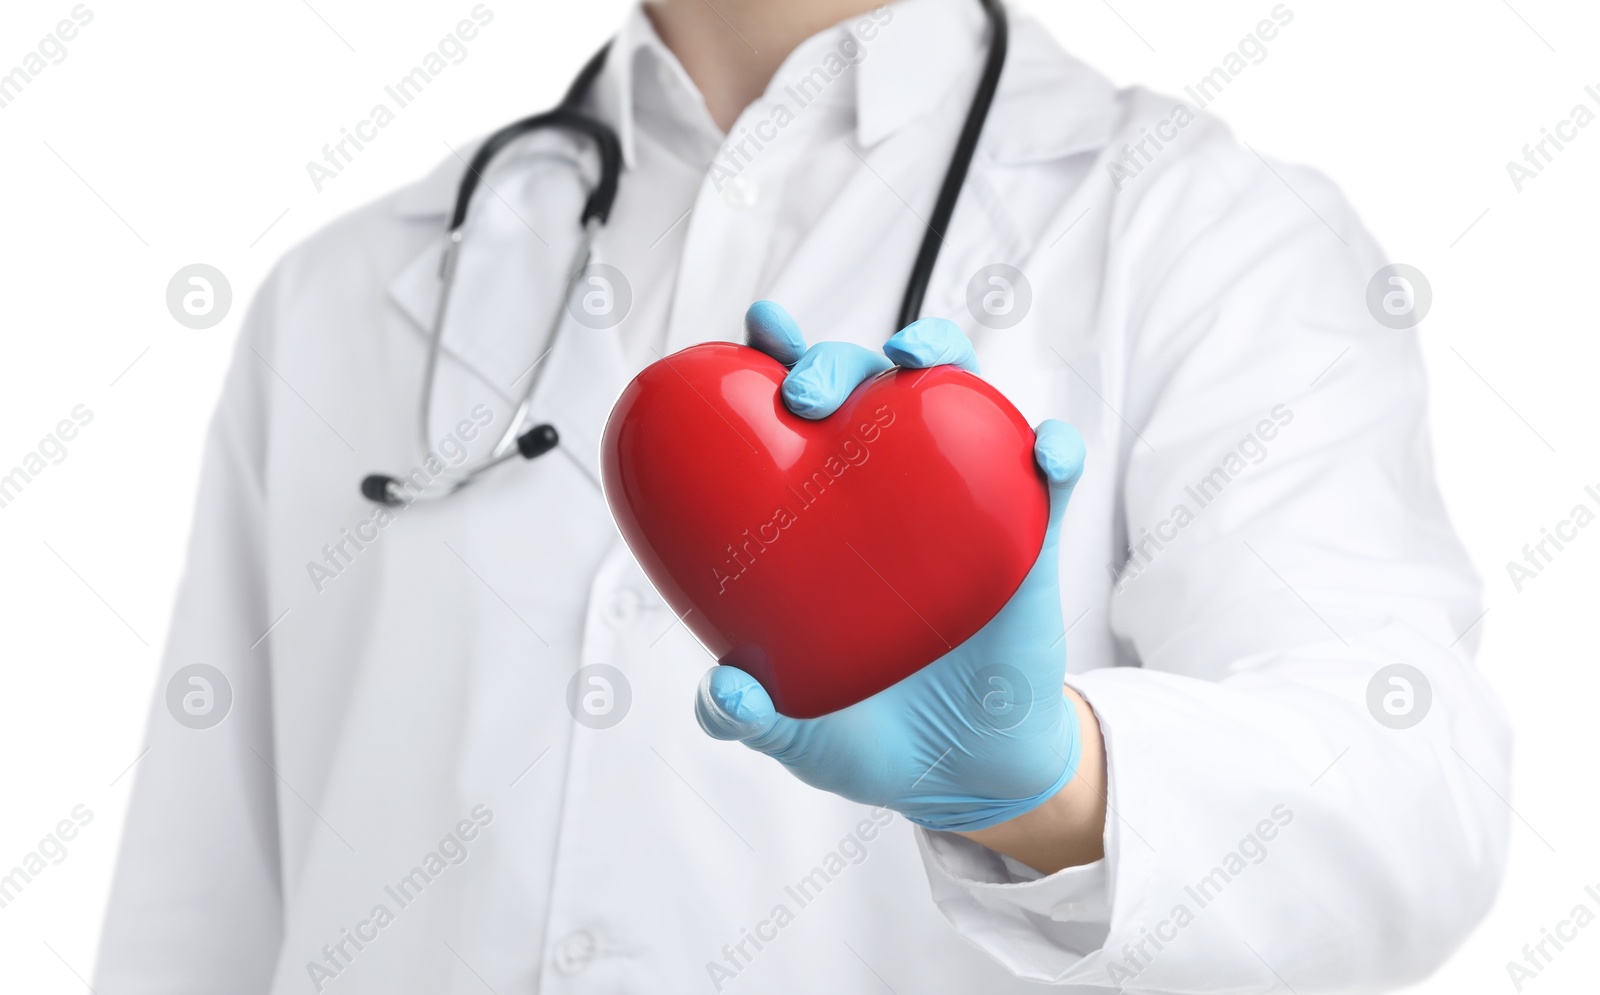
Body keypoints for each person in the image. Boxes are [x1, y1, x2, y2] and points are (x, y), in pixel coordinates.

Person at [94, 0, 1510, 991]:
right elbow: (197, 909)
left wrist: (1054, 781)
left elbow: (1412, 797)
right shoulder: (350, 289)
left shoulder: (1199, 233)